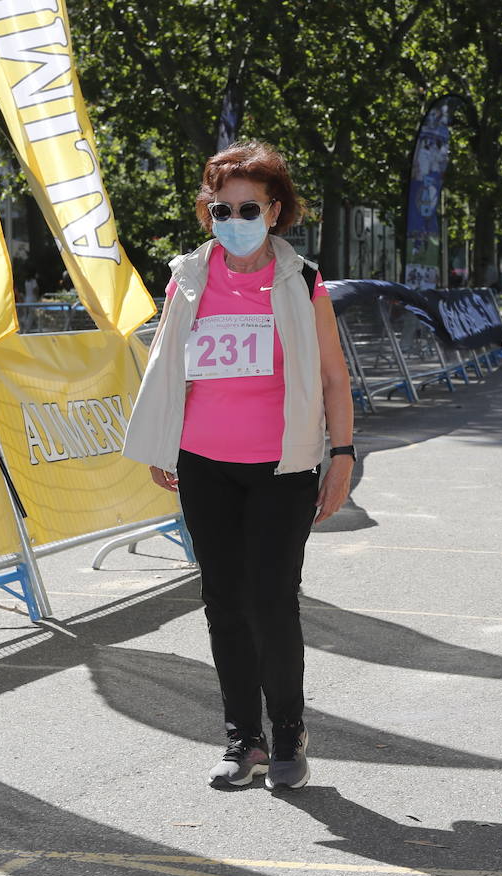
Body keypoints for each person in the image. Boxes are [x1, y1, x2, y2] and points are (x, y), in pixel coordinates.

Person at [123, 141, 355, 791]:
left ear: (275, 210)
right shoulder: (188, 278)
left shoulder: (303, 283)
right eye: (219, 208)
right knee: (224, 602)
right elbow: (169, 367)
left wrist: (341, 456)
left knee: (273, 601)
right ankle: (242, 739)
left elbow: (335, 380)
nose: (232, 218)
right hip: (205, 463)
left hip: (283, 465)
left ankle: (287, 733)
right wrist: (161, 445)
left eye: (247, 207)